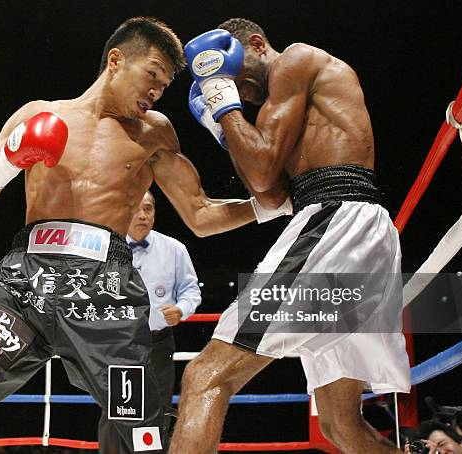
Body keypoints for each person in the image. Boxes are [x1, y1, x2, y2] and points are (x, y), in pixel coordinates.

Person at [0, 17, 289, 454]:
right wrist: (9, 160)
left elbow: (201, 215)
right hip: (24, 282)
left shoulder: (154, 134)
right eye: (152, 75)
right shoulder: (39, 114)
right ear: (116, 60)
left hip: (106, 294)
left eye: (165, 85)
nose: (156, 92)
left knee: (140, 436)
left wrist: (276, 206)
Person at [170, 18, 411, 454]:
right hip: (357, 234)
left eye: (239, 81)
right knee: (342, 426)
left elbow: (261, 171)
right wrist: (226, 127)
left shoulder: (296, 59)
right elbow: (272, 191)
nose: (241, 95)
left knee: (205, 375)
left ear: (257, 45)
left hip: (337, 225)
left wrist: (224, 105)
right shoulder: (279, 106)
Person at [126, 190, 202, 444]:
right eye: (137, 208)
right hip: (118, 345)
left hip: (158, 343)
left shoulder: (174, 249)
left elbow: (191, 290)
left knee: (158, 410)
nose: (143, 215)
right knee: (118, 410)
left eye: (148, 209)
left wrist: (181, 309)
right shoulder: (109, 249)